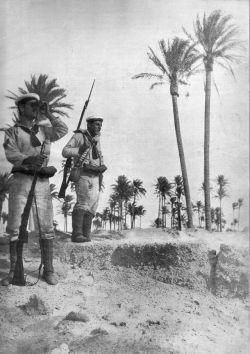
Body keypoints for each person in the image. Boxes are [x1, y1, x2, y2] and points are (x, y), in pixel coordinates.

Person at [2, 93, 68, 286]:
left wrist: (49, 113)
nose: (35, 107)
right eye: (32, 105)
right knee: (15, 226)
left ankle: (48, 270)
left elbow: (62, 129)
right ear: (21, 108)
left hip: (41, 183)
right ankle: (15, 271)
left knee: (46, 227)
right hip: (21, 181)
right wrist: (28, 160)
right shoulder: (11, 132)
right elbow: (10, 153)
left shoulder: (45, 130)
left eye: (37, 105)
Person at [62, 116, 107, 243]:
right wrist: (80, 149)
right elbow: (65, 151)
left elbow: (98, 155)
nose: (99, 127)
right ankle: (77, 234)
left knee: (93, 205)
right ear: (89, 125)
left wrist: (101, 166)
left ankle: (86, 234)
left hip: (95, 175)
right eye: (97, 124)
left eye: (100, 125)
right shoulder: (79, 136)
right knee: (82, 203)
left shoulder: (97, 139)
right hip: (83, 173)